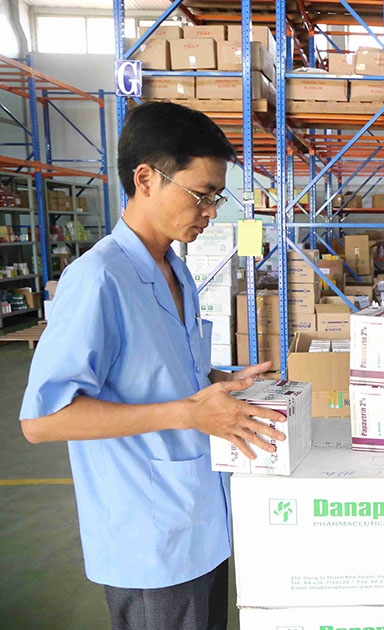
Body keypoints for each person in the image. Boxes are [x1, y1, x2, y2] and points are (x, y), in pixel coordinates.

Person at [19, 102, 287, 630]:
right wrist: (189, 413)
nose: (211, 212)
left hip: (200, 518)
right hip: (149, 536)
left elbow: (158, 372)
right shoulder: (98, 279)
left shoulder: (175, 272)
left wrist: (219, 381)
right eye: (201, 194)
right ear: (145, 179)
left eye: (216, 197)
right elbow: (43, 420)